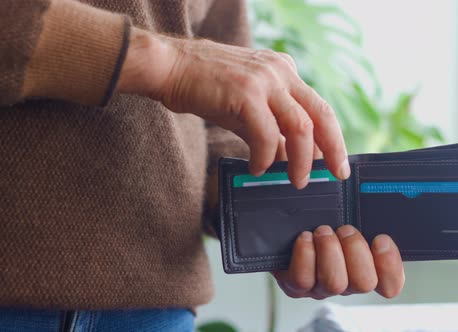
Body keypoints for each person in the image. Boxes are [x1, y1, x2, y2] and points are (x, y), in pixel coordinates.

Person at [0, 0, 405, 330]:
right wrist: (169, 64)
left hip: (157, 309)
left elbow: (217, 125)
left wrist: (277, 226)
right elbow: (192, 69)